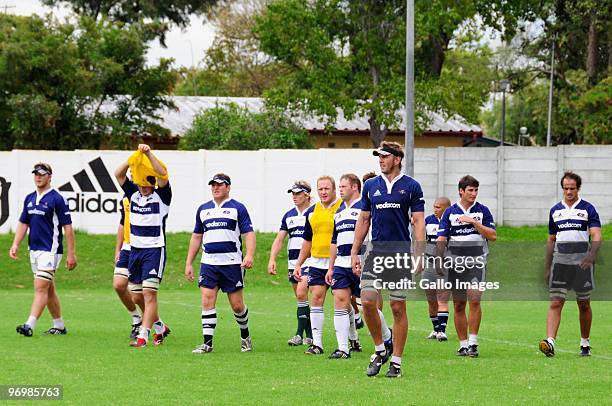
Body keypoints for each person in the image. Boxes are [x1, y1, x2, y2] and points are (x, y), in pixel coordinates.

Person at [351, 141, 426, 378]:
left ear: (397, 159)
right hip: (375, 253)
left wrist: (420, 253)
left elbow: (418, 221)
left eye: (384, 156)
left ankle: (396, 362)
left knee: (397, 307)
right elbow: (363, 220)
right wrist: (355, 252)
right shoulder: (371, 186)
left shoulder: (411, 186)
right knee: (368, 302)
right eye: (379, 157)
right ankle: (381, 349)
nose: (380, 160)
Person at [185, 173, 256, 354]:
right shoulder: (203, 209)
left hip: (232, 264)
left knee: (237, 305)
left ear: (228, 187)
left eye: (220, 185)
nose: (216, 188)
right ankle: (207, 343)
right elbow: (196, 237)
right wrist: (189, 263)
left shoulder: (237, 208)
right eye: (213, 185)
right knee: (207, 301)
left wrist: (249, 255)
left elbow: (248, 233)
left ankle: (245, 336)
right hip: (208, 263)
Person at [11, 162, 77, 337]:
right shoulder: (29, 198)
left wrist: (71, 253)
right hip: (34, 250)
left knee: (40, 287)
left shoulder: (57, 199)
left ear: (49, 176)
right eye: (35, 174)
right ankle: (59, 325)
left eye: (42, 173)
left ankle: (29, 324)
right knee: (48, 289)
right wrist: (15, 244)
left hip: (51, 250)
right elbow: (24, 222)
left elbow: (68, 227)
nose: (38, 177)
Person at [114, 144, 171, 347]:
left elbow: (163, 174)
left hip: (154, 250)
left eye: (148, 182)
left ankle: (143, 336)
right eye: (141, 182)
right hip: (135, 251)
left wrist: (147, 154)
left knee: (149, 293)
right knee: (137, 296)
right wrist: (134, 158)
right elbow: (118, 174)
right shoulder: (132, 194)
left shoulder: (162, 197)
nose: (144, 186)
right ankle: (160, 327)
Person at [540, 172, 601, 357]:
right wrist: (547, 266)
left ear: (578, 188)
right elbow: (551, 239)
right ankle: (550, 342)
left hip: (581, 264)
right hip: (560, 263)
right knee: (556, 302)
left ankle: (585, 343)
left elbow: (596, 235)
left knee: (583, 303)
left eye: (572, 188)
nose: (568, 192)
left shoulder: (588, 209)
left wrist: (591, 256)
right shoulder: (555, 211)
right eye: (565, 188)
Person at [437, 175, 496, 358]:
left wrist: (474, 222)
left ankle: (473, 342)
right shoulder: (450, 213)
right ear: (461, 191)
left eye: (476, 190)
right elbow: (442, 239)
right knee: (459, 304)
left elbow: (492, 236)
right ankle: (462, 345)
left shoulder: (483, 211)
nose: (474, 193)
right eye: (470, 190)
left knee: (475, 299)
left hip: (476, 263)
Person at [293, 176, 342, 355]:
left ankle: (352, 337)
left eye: (326, 189)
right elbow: (307, 240)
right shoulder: (312, 212)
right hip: (316, 261)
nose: (323, 192)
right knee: (316, 298)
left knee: (343, 300)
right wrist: (299, 263)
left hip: (338, 262)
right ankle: (317, 344)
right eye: (320, 189)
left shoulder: (342, 208)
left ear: (334, 189)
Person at [268, 181, 314, 346]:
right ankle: (309, 335)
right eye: (293, 194)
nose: (294, 197)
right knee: (301, 299)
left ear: (307, 195)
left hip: (310, 261)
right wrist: (272, 259)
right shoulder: (289, 215)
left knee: (302, 294)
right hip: (293, 262)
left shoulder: (315, 212)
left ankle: (298, 335)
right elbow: (280, 239)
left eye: (298, 193)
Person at [325, 174, 363, 358]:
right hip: (341, 264)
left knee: (369, 307)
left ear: (354, 187)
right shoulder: (339, 212)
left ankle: (386, 338)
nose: (339, 189)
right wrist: (331, 267)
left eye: (343, 186)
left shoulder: (365, 208)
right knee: (340, 301)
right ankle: (343, 348)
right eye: (339, 186)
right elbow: (334, 241)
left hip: (362, 263)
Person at [113, 195, 144, 340]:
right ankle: (137, 318)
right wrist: (118, 249)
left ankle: (153, 322)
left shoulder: (153, 195)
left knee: (138, 296)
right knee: (119, 285)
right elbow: (122, 223)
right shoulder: (126, 198)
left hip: (144, 247)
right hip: (127, 247)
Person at [422, 197, 451, 341]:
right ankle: (435, 329)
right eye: (434, 206)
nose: (435, 209)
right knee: (431, 298)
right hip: (429, 263)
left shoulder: (452, 221)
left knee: (442, 297)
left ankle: (442, 331)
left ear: (446, 208)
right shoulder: (428, 220)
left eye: (438, 207)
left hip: (445, 264)